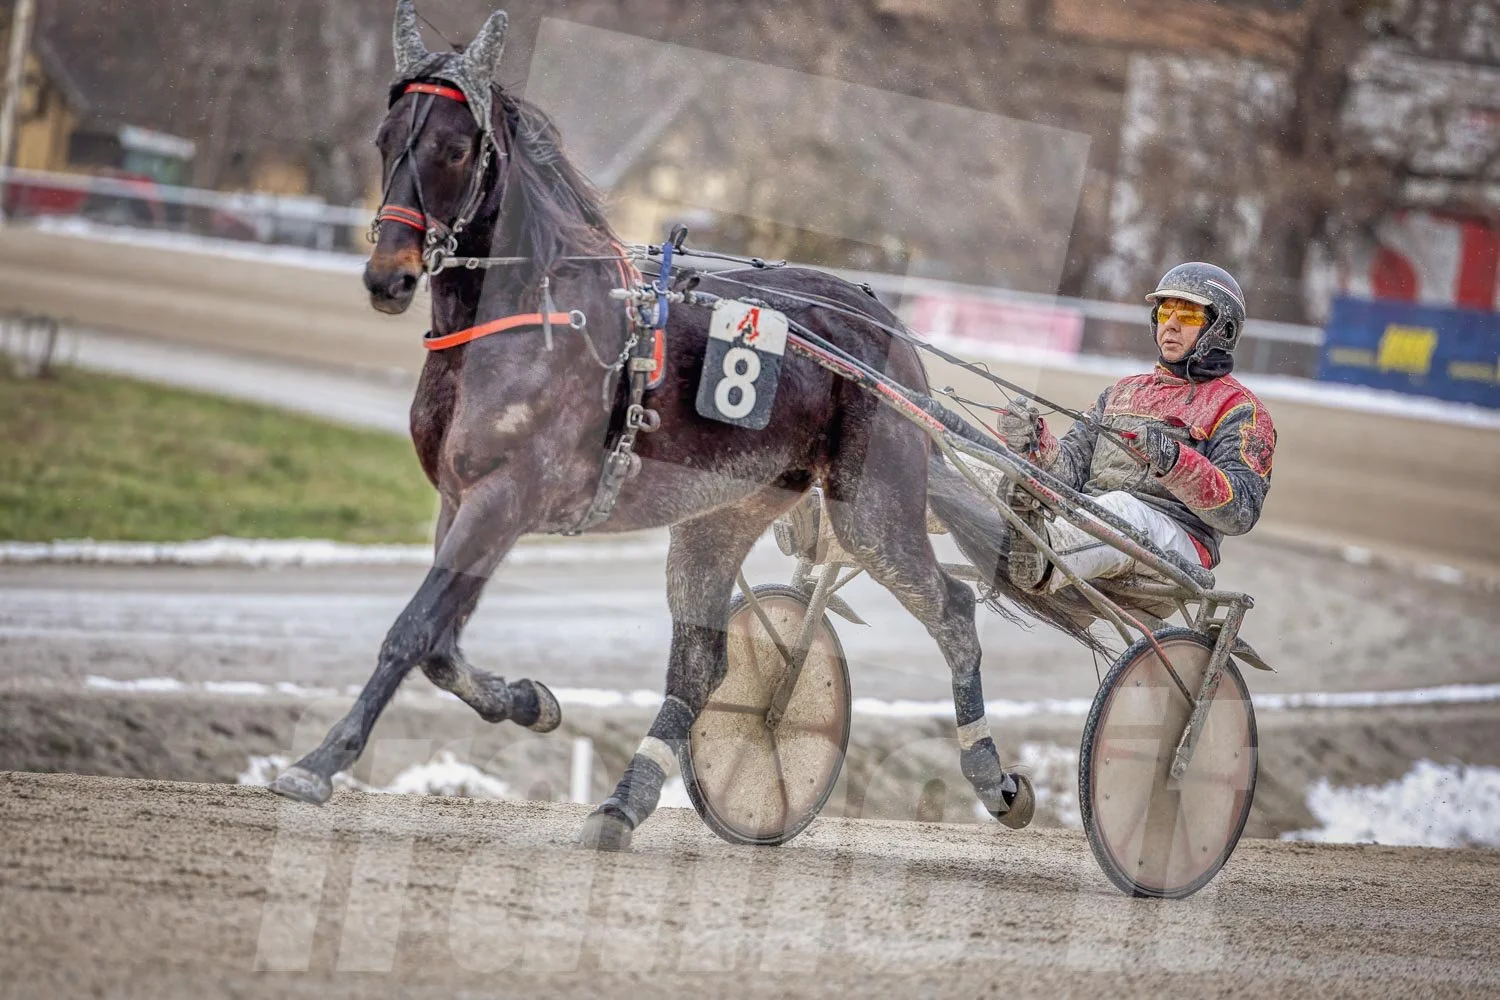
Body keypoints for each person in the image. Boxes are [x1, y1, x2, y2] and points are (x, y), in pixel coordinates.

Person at [997, 262, 1277, 592]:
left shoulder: (1240, 409)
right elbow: (1071, 472)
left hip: (1177, 540)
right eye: (1165, 312)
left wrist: (1173, 461)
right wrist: (1034, 445)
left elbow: (1240, 513)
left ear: (1221, 329)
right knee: (993, 468)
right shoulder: (1121, 392)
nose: (1170, 325)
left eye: (1187, 314)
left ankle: (1044, 557)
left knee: (1124, 509)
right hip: (1094, 517)